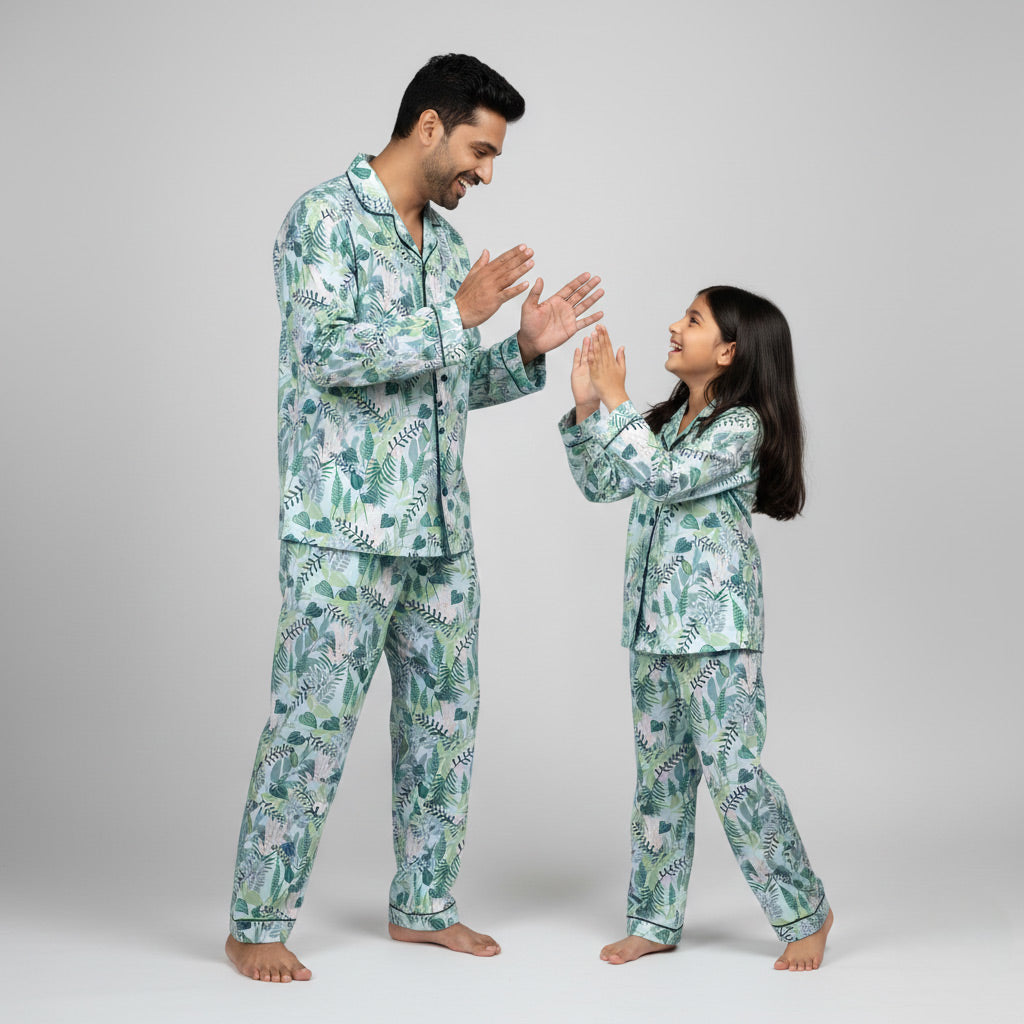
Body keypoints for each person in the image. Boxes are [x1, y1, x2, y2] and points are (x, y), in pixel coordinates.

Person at [226, 53, 603, 983]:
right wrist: (455, 317)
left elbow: (439, 384)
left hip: (440, 535)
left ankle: (425, 906)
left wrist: (518, 348)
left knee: (445, 721)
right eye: (480, 150)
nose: (486, 172)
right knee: (310, 725)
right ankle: (254, 922)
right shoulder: (321, 218)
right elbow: (325, 352)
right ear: (428, 127)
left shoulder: (440, 245)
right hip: (342, 534)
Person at [560, 289, 833, 970]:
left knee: (734, 776)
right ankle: (654, 918)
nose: (674, 327)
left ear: (729, 351)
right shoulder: (670, 418)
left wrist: (619, 403)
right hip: (653, 631)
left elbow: (666, 478)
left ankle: (806, 910)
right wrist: (590, 407)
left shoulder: (741, 428)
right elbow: (604, 483)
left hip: (715, 636)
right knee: (660, 781)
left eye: (692, 320)